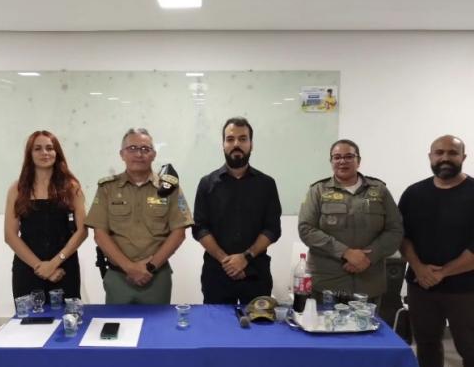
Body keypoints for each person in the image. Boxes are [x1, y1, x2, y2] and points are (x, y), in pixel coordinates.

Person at [399, 134, 474, 367]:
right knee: (427, 343)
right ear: (430, 156)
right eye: (439, 153)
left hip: (466, 288)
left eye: (452, 153)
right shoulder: (414, 193)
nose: (445, 158)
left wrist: (443, 272)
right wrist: (418, 268)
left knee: (470, 348)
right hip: (422, 286)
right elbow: (402, 237)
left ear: (463, 157)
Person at [85, 128, 193, 304]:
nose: (139, 154)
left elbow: (179, 233)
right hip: (118, 276)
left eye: (145, 149)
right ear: (122, 154)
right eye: (132, 148)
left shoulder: (169, 188)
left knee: (156, 329)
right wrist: (130, 268)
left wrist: (149, 267)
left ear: (154, 155)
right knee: (117, 329)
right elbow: (100, 234)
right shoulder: (107, 188)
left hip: (157, 277)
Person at [298, 139, 403, 303]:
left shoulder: (379, 190)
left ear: (358, 161)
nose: (342, 161)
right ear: (331, 161)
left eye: (349, 157)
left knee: (367, 328)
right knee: (325, 327)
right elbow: (306, 229)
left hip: (369, 283)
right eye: (337, 157)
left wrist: (367, 258)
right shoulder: (318, 191)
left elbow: (395, 230)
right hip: (327, 283)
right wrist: (346, 253)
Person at [192, 117, 282, 304]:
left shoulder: (266, 184)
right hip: (216, 274)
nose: (236, 144)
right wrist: (228, 261)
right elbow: (200, 228)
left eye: (243, 139)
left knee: (258, 330)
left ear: (251, 144)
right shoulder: (207, 184)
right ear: (223, 144)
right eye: (230, 139)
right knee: (218, 331)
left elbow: (272, 229)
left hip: (257, 274)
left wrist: (245, 257)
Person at [5, 130, 87, 301]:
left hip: (64, 267)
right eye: (38, 149)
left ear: (57, 153)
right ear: (30, 154)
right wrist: (40, 266)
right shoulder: (17, 189)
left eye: (49, 148)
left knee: (68, 322)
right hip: (28, 267)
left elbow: (82, 231)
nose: (44, 153)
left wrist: (54, 263)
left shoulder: (71, 187)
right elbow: (10, 236)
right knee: (30, 324)